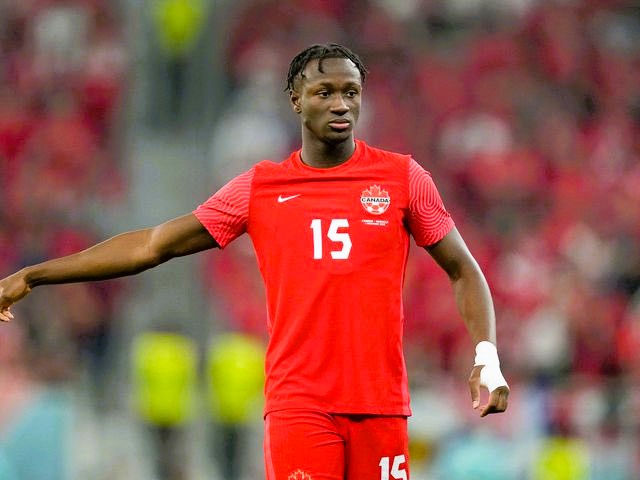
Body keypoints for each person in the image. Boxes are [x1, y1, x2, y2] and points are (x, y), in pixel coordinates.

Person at [0, 43, 509, 479]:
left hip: (382, 406)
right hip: (300, 406)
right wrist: (36, 274)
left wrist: (486, 355)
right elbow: (152, 245)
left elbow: (463, 268)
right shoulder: (261, 189)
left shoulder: (403, 179)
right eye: (324, 92)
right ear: (295, 100)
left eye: (351, 92)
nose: (340, 104)